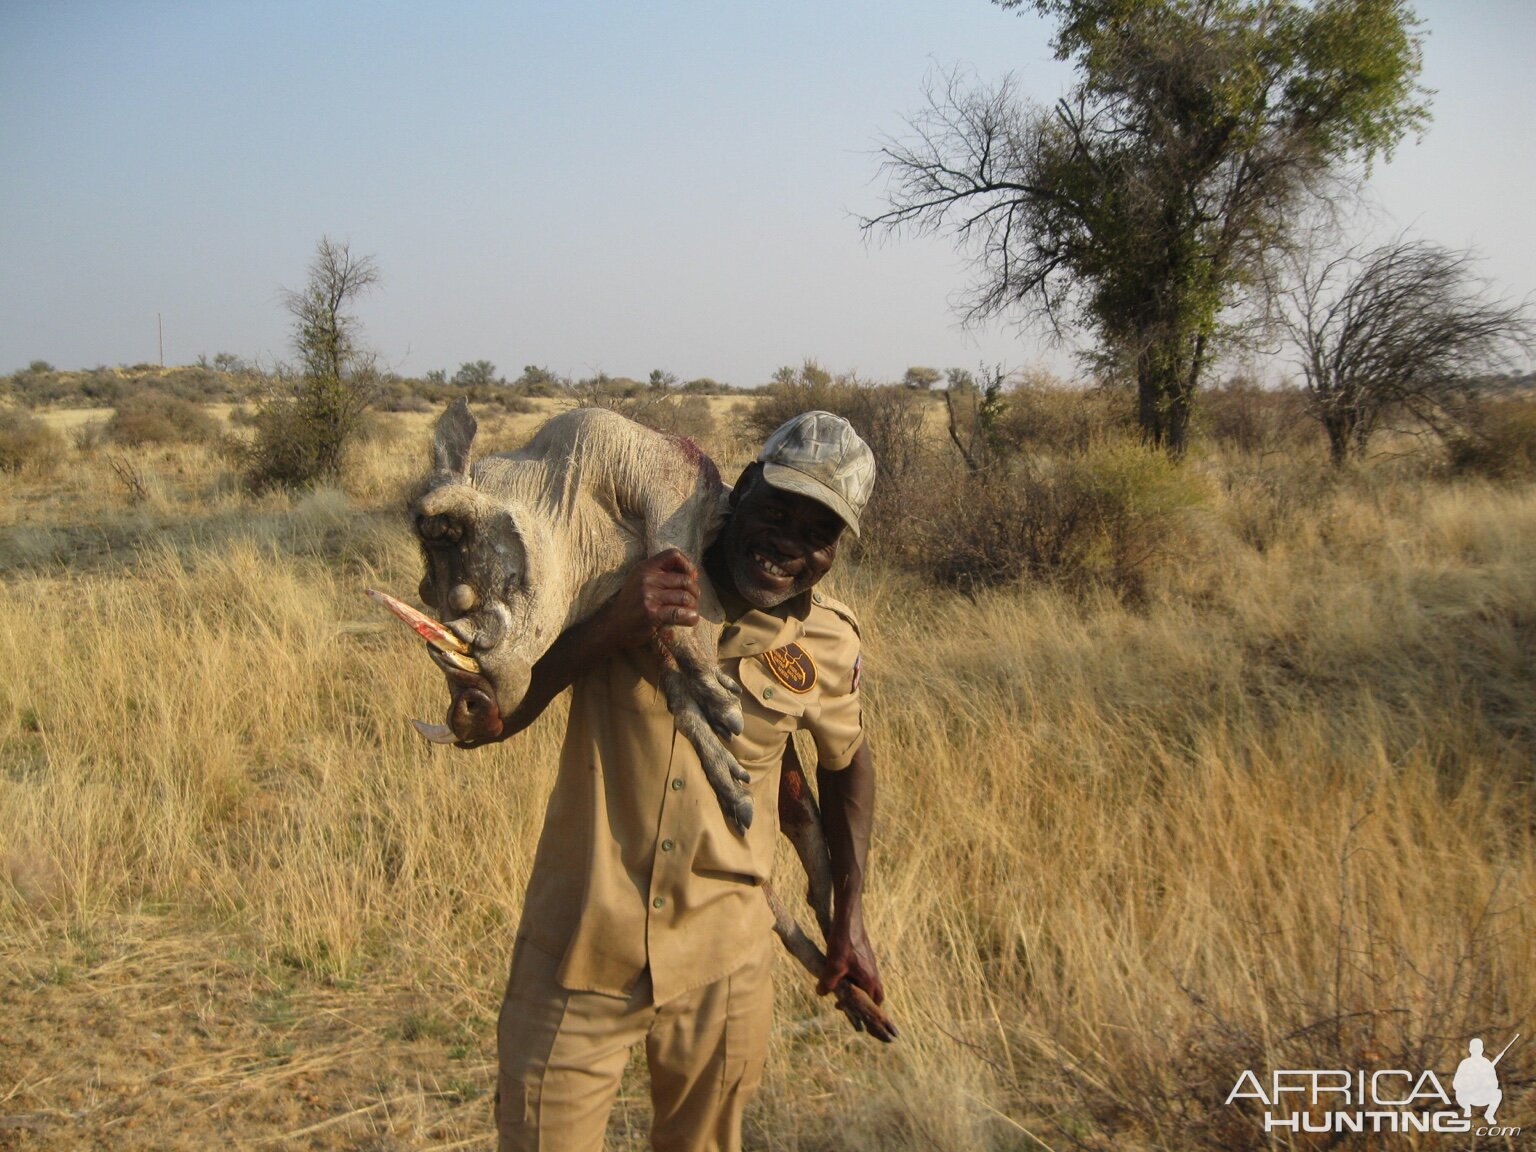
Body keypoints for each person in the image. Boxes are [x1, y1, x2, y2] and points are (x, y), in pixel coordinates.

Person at [477, 411, 884, 1152]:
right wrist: (615, 625)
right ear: (744, 486)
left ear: (838, 547)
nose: (790, 541)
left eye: (819, 530)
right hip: (578, 950)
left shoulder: (827, 640)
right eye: (778, 508)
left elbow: (845, 764)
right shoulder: (623, 564)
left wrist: (847, 914)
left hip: (724, 964)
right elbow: (495, 717)